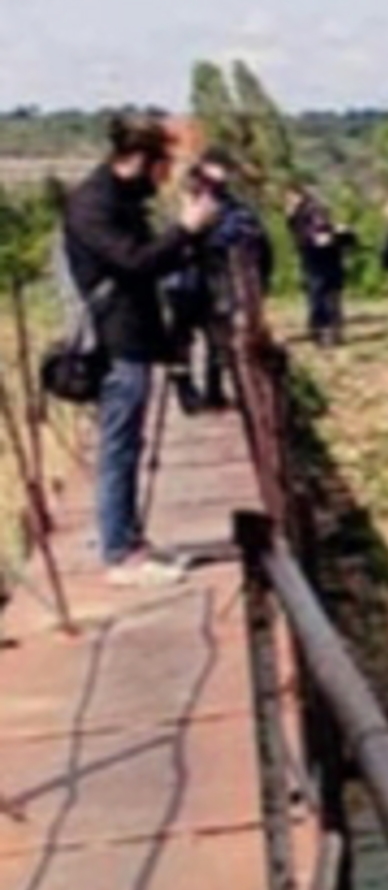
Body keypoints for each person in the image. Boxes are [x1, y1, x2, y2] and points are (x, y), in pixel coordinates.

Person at [63, 112, 218, 587]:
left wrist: (187, 234)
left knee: (128, 444)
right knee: (119, 447)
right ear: (142, 160)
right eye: (164, 164)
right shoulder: (93, 205)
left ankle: (128, 538)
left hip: (131, 338)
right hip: (114, 342)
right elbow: (137, 262)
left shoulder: (120, 199)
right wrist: (187, 228)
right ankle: (119, 552)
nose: (168, 175)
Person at [163, 147, 273, 414]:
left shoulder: (231, 207)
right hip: (182, 281)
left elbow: (247, 235)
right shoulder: (177, 203)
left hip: (215, 279)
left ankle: (214, 390)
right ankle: (185, 392)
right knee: (180, 341)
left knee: (217, 339)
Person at [284, 184, 351, 347]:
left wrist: (335, 234)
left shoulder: (313, 210)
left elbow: (328, 232)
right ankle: (322, 332)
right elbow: (300, 236)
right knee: (318, 298)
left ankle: (331, 333)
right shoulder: (296, 215)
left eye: (292, 196)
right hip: (312, 260)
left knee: (328, 298)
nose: (290, 200)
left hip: (325, 260)